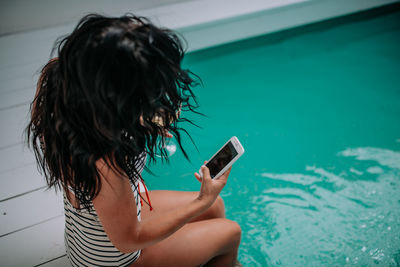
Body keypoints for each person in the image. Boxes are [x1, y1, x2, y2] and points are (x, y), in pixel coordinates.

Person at [26, 14, 242, 267]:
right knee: (230, 232)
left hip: (89, 235)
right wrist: (200, 201)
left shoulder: (59, 84)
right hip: (115, 260)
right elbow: (129, 239)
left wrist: (137, 122)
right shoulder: (106, 162)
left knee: (215, 207)